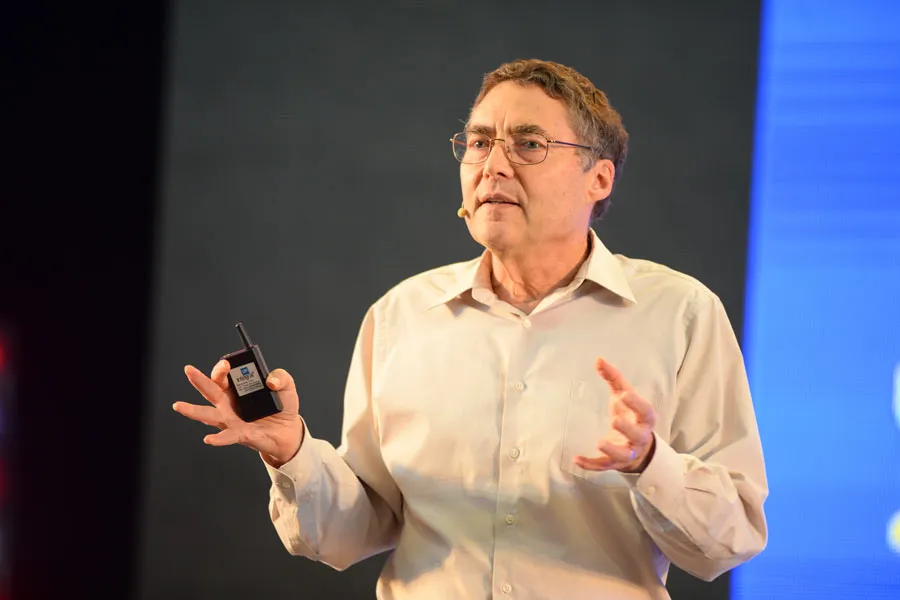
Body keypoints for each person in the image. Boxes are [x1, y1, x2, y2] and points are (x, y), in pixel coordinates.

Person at [174, 58, 768, 599]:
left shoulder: (680, 314)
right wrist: (294, 454)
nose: (493, 166)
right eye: (479, 142)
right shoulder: (401, 315)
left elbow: (731, 540)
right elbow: (352, 533)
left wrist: (650, 463)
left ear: (600, 179)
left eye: (529, 144)